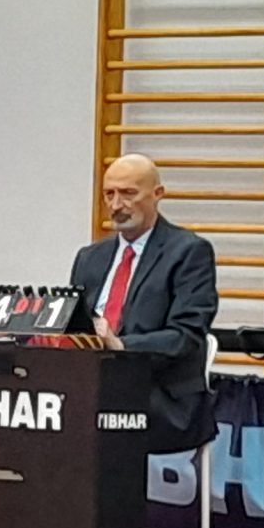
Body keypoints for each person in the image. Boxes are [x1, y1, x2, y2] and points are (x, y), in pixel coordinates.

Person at [70, 154, 219, 452]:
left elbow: (186, 336)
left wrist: (120, 345)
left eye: (128, 194)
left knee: (81, 417)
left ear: (157, 194)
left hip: (158, 394)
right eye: (109, 194)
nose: (116, 205)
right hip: (94, 386)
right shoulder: (90, 257)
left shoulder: (189, 252)